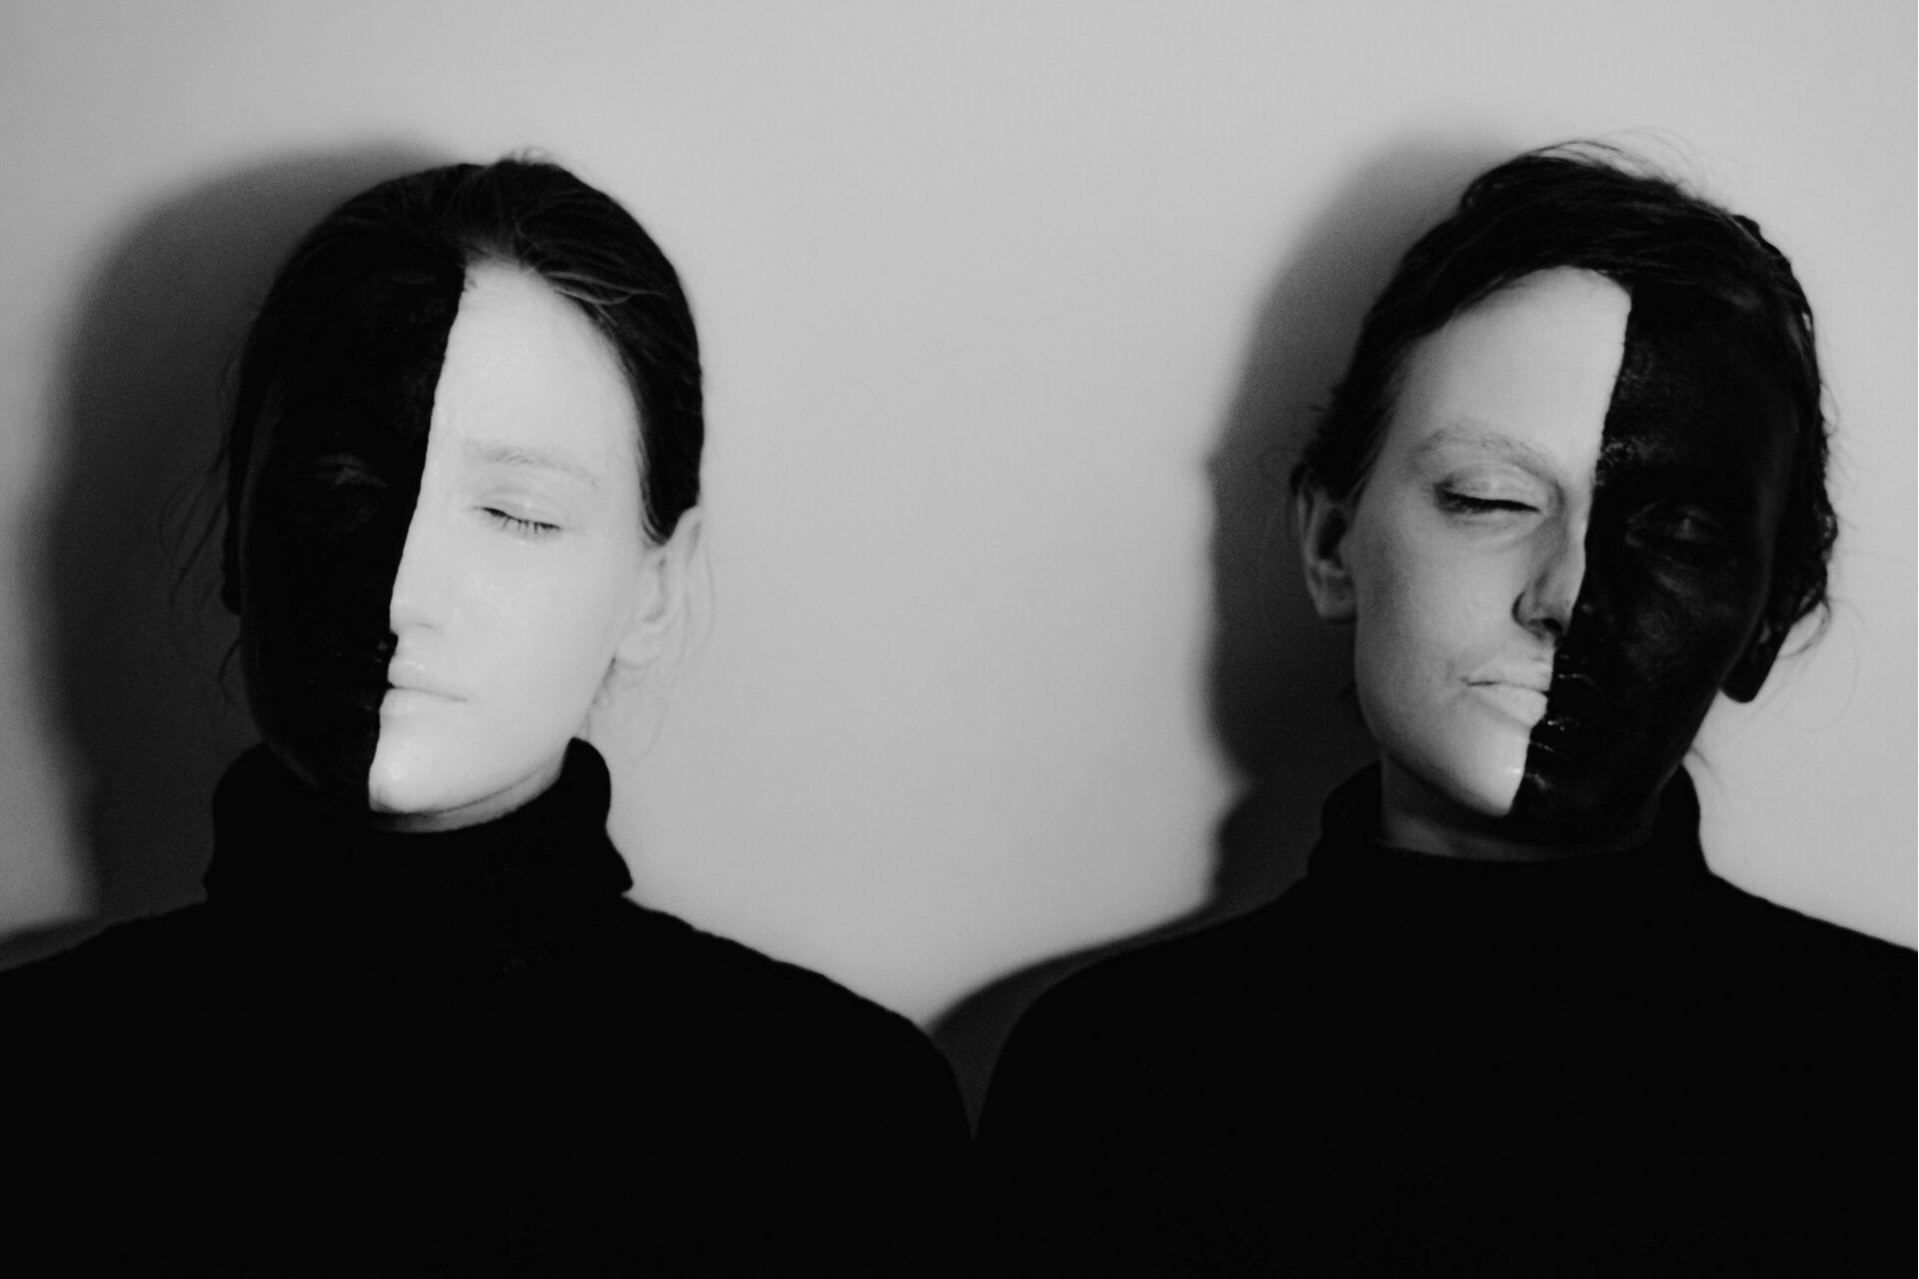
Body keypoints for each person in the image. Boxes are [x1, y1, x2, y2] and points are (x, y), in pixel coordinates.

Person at [6, 158, 966, 1275]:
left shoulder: (833, 1117)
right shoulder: (28, 1075)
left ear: (655, 588)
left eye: (517, 513)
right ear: (237, 530)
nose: (401, 594)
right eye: (336, 488)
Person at [978, 145, 1919, 1275]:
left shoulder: (1892, 1072)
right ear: (1332, 543)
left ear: (1765, 621)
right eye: (1489, 498)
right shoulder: (1111, 1075)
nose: (1565, 595)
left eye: (1677, 534)